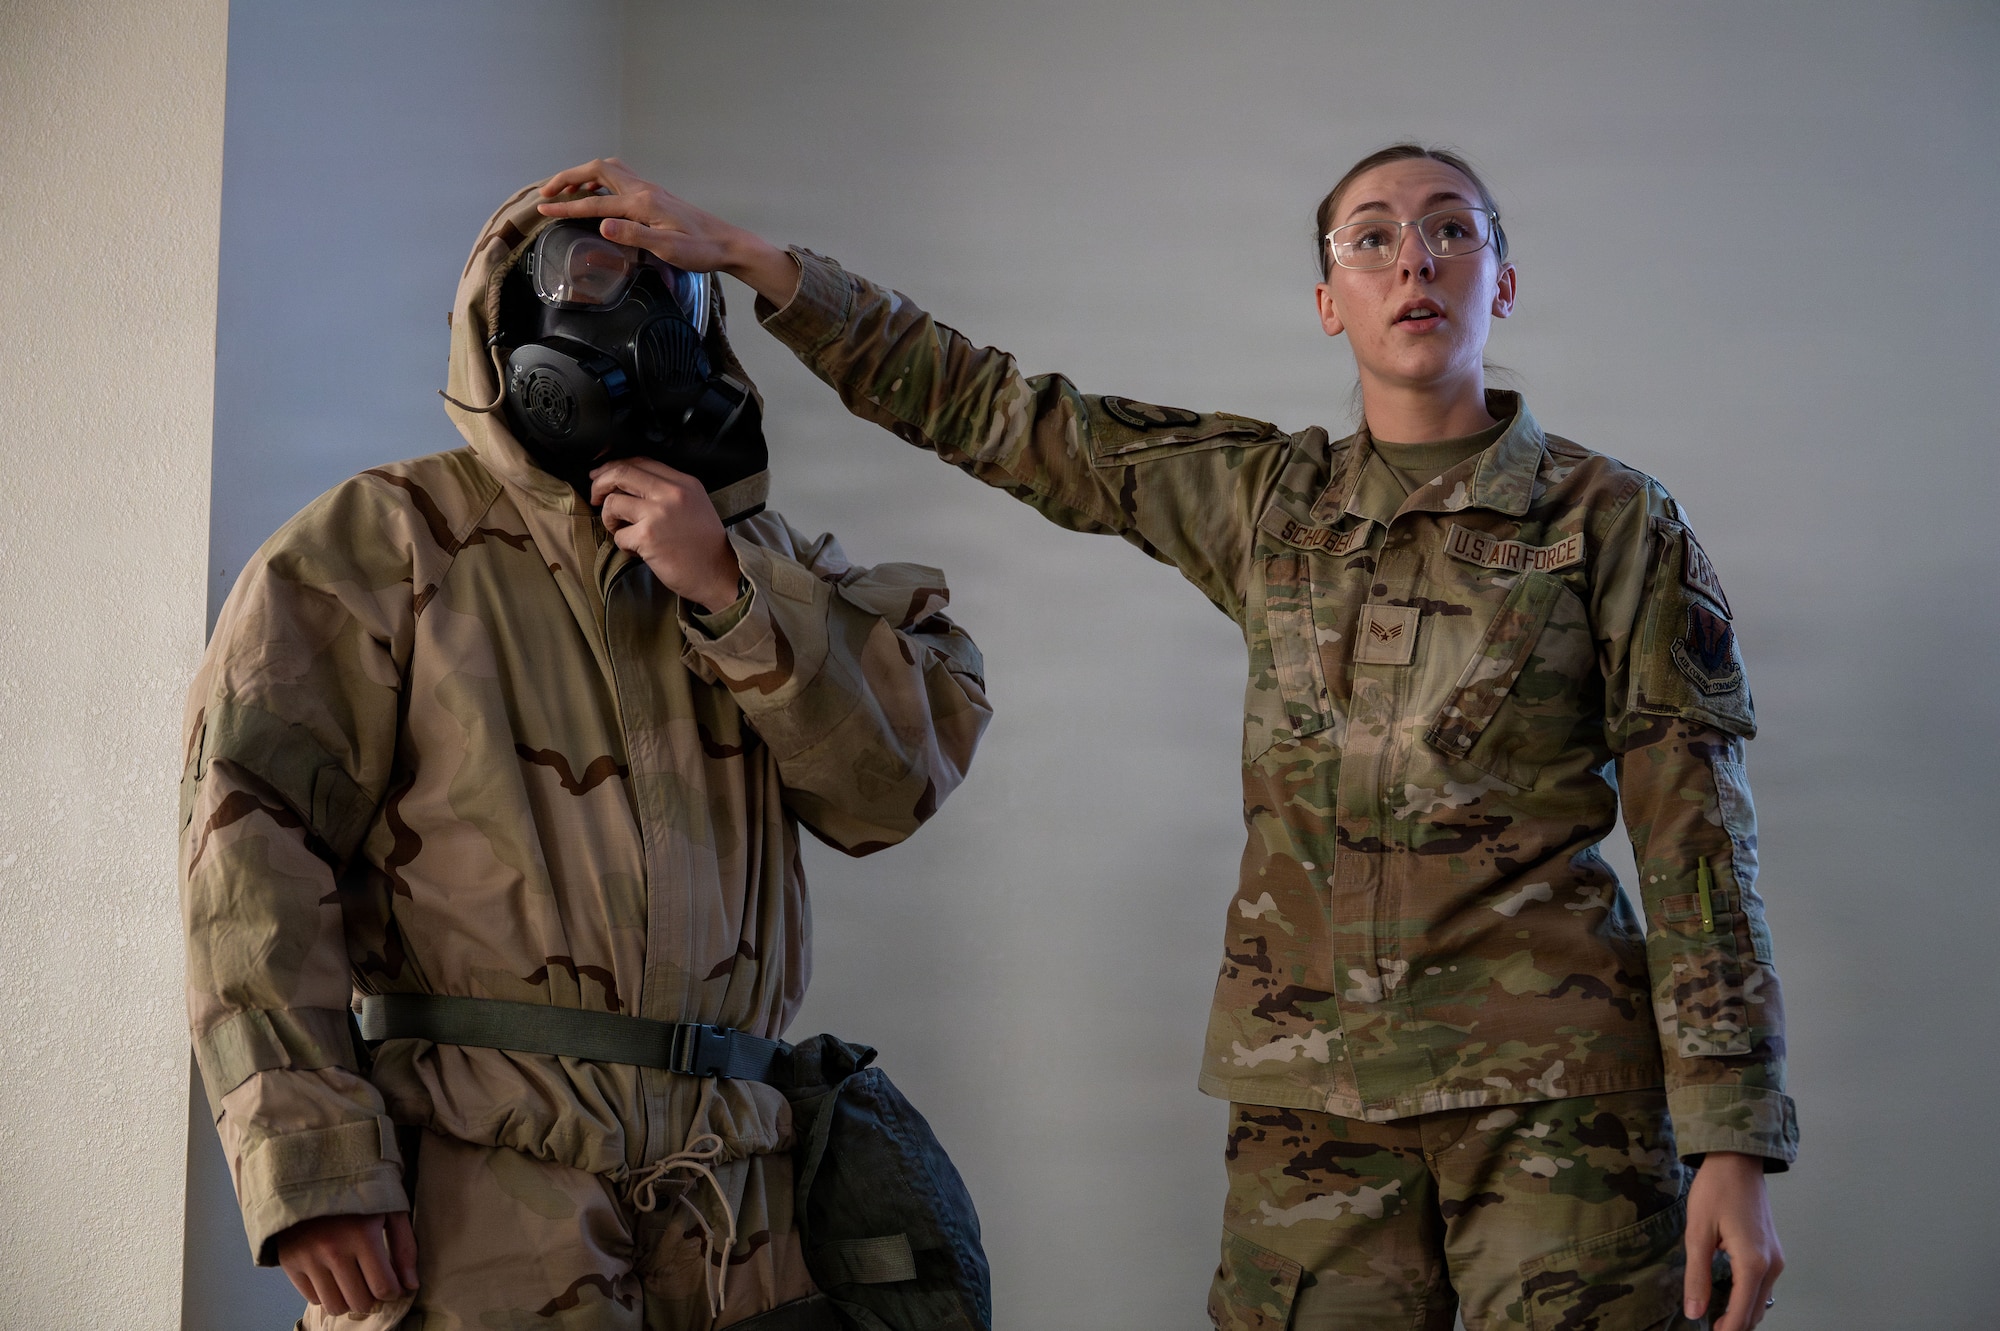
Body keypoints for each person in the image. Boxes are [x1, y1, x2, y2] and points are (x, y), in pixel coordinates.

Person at [531, 148, 1798, 1331]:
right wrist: (756, 261)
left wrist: (1730, 1138)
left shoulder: (1611, 522)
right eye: (1370, 239)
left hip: (1556, 1108)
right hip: (1309, 1109)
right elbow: (1005, 413)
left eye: (1448, 231)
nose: (1411, 260)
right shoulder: (1266, 501)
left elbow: (1695, 838)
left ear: (1499, 281)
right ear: (1327, 301)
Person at [180, 180, 991, 1330]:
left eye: (668, 284)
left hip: (738, 1208)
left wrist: (728, 590)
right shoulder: (380, 541)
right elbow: (247, 853)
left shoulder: (763, 560)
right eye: (597, 277)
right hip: (476, 1190)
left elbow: (890, 788)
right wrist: (312, 1161)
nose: (642, 313)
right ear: (507, 318)